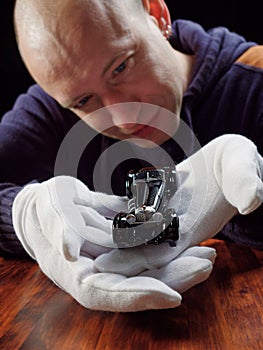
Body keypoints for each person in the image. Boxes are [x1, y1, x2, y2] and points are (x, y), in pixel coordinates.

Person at [0, 0, 262, 311]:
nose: (123, 118)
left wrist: (248, 204)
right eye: (85, 101)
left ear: (157, 14)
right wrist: (24, 217)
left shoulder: (255, 80)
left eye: (121, 67)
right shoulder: (60, 103)